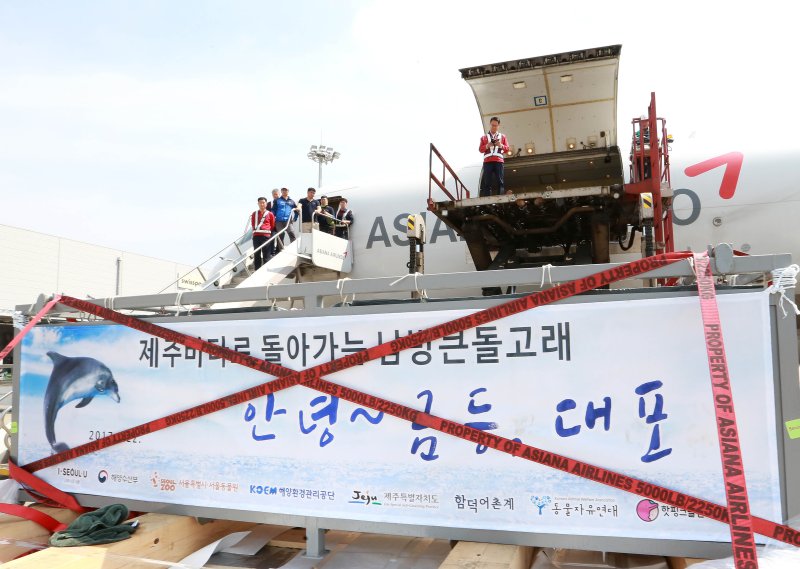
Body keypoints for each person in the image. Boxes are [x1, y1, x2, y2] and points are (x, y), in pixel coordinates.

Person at [478, 116, 509, 196]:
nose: (494, 127)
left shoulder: (502, 136)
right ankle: (487, 198)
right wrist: (487, 146)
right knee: (487, 181)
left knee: (500, 181)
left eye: (495, 125)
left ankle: (501, 197)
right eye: (492, 125)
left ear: (498, 126)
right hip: (487, 161)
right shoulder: (484, 137)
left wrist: (500, 145)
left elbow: (507, 149)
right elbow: (480, 150)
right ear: (490, 124)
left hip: (498, 161)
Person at [249, 197, 275, 270]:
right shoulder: (254, 213)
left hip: (266, 236)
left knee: (266, 254)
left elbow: (272, 225)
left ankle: (265, 270)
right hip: (256, 236)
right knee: (256, 253)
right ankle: (257, 269)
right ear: (258, 204)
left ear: (266, 204)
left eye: (263, 202)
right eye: (260, 203)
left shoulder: (270, 214)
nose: (262, 204)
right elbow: (253, 224)